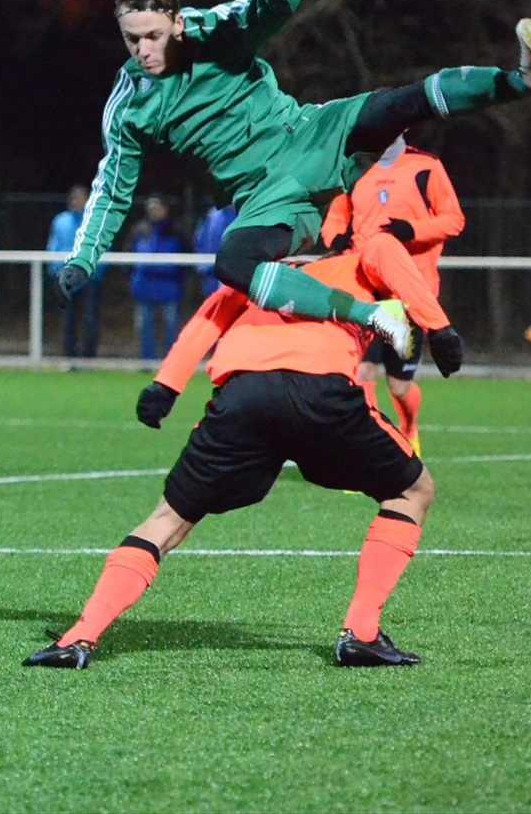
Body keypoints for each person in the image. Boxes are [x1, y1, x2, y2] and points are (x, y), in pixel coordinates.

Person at [51, 0, 531, 363]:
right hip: (268, 195)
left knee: (397, 104)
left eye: (152, 36)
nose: (142, 50)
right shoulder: (128, 106)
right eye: (131, 39)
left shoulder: (213, 33)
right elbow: (113, 188)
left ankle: (524, 80)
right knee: (233, 262)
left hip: (312, 133)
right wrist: (84, 257)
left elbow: (280, 2)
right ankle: (374, 316)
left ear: (177, 23)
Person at [23, 245, 464, 670]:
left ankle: (77, 638)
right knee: (412, 489)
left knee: (168, 519)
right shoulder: (364, 257)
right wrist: (440, 328)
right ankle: (361, 635)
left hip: (243, 394)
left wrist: (166, 385)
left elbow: (208, 319)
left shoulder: (258, 271)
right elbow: (400, 267)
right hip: (321, 389)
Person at [321, 138, 465, 454]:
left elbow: (454, 219)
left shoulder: (426, 166)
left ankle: (409, 427)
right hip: (365, 292)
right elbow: (335, 217)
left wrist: (412, 230)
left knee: (399, 387)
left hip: (410, 294)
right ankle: (366, 451)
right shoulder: (355, 169)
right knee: (361, 371)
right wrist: (336, 238)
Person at [127, 194, 190, 360]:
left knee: (171, 324)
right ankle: (147, 360)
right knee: (144, 324)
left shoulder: (177, 230)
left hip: (169, 286)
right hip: (144, 286)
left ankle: (172, 360)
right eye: (152, 208)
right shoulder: (138, 230)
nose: (155, 211)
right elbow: (127, 257)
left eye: (158, 208)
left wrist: (178, 278)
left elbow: (187, 256)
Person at [46, 184, 106, 358]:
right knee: (68, 318)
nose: (78, 202)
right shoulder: (60, 221)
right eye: (75, 199)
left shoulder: (96, 221)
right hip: (66, 277)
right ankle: (69, 355)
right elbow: (53, 247)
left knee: (90, 318)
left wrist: (96, 270)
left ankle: (89, 356)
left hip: (90, 277)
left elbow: (104, 246)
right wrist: (56, 271)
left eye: (81, 199)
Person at [193, 203, 237, 297]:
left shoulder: (243, 214)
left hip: (236, 278)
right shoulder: (210, 216)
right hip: (211, 276)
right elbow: (200, 242)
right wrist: (202, 266)